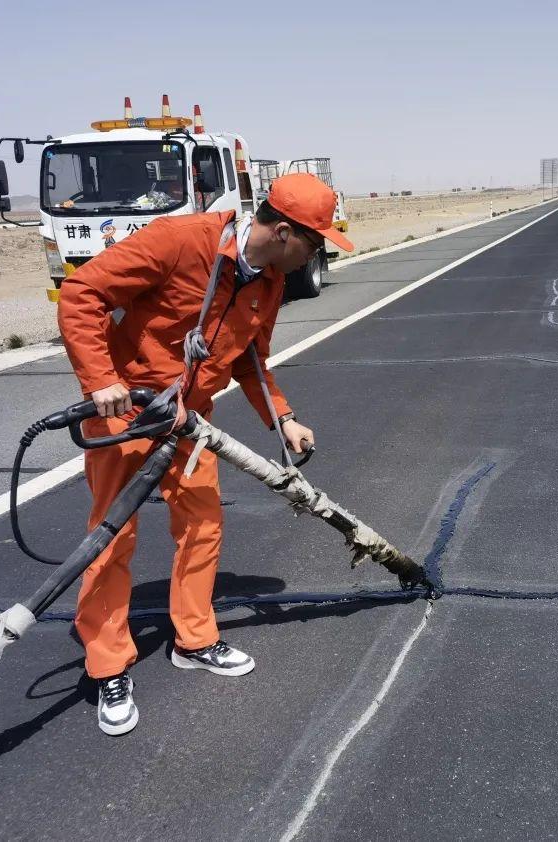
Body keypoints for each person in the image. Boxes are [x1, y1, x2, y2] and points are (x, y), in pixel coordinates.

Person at [57, 173, 353, 735]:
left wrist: (283, 418)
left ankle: (194, 639)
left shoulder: (267, 283)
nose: (316, 257)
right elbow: (82, 295)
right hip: (128, 415)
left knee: (202, 526)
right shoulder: (180, 241)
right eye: (315, 244)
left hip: (191, 422)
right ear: (284, 232)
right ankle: (107, 665)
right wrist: (100, 379)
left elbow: (250, 361)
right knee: (112, 538)